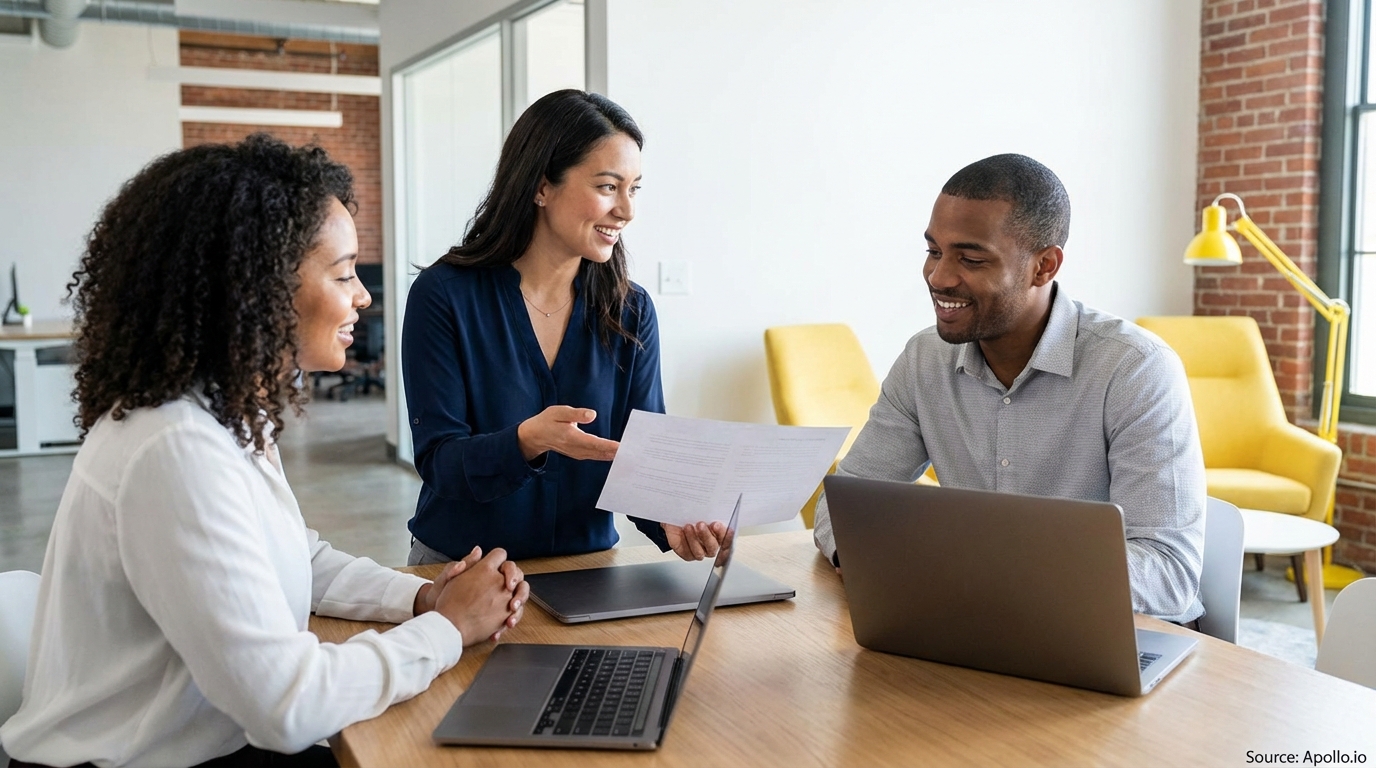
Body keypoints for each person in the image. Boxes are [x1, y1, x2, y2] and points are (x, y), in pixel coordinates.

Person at [0, 135, 529, 768]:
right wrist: (448, 630)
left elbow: (296, 555)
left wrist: (421, 599)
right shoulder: (175, 447)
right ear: (257, 290)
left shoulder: (223, 413)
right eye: (342, 274)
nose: (363, 296)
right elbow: (287, 705)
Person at [812, 154, 1207, 624]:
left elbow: (1169, 573)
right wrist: (894, 565)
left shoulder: (1135, 370)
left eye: (971, 258)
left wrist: (990, 575)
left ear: (1044, 266)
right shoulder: (924, 361)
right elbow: (843, 507)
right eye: (934, 251)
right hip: (975, 623)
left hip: (1109, 630)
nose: (939, 278)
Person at [402, 89, 724, 565]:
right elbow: (440, 463)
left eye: (634, 188)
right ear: (541, 186)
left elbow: (640, 455)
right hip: (461, 572)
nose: (627, 211)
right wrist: (528, 440)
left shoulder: (631, 311)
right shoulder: (444, 295)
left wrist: (670, 519)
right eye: (607, 187)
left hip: (588, 572)